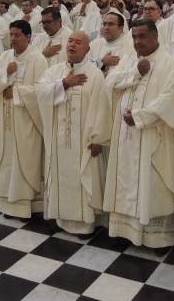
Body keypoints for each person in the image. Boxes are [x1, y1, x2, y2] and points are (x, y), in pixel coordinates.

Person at [102, 19, 174, 252]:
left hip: (152, 134)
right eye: (135, 37)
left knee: (152, 182)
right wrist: (135, 73)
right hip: (125, 135)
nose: (138, 42)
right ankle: (125, 230)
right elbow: (109, 82)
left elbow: (171, 97)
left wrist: (140, 117)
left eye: (142, 37)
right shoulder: (131, 59)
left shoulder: (167, 63)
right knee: (125, 177)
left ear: (155, 37)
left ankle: (156, 237)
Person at [35, 31, 111, 235]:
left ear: (87, 49)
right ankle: (61, 218)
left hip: (84, 142)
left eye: (78, 42)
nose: (72, 45)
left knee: (82, 179)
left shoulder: (94, 75)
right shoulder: (55, 71)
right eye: (70, 41)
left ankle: (85, 223)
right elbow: (40, 93)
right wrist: (64, 84)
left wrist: (98, 139)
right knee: (60, 176)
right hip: (58, 140)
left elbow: (102, 108)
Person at [0, 20, 48, 218]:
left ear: (28, 37)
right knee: (5, 158)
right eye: (11, 34)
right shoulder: (5, 56)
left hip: (25, 121)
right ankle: (7, 202)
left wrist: (17, 92)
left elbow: (42, 91)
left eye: (17, 35)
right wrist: (7, 72)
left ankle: (26, 204)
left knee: (24, 160)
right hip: (5, 121)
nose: (12, 39)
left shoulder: (37, 59)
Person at [88, 12, 134, 76]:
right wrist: (102, 63)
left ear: (121, 28)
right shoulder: (94, 44)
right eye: (104, 24)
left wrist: (108, 76)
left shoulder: (130, 45)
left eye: (111, 24)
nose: (106, 27)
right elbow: (85, 67)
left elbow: (130, 71)